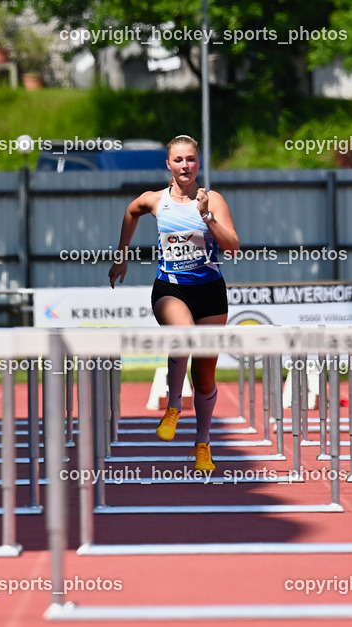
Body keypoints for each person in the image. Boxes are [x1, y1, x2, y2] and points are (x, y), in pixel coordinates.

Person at [108, 135, 240, 471]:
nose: (185, 165)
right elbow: (130, 211)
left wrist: (208, 217)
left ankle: (203, 445)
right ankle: (174, 405)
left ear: (199, 163)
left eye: (191, 159)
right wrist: (121, 256)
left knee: (206, 376)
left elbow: (234, 248)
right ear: (168, 164)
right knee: (182, 335)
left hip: (210, 292)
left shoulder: (215, 201)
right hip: (171, 289)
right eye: (178, 160)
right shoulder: (155, 200)